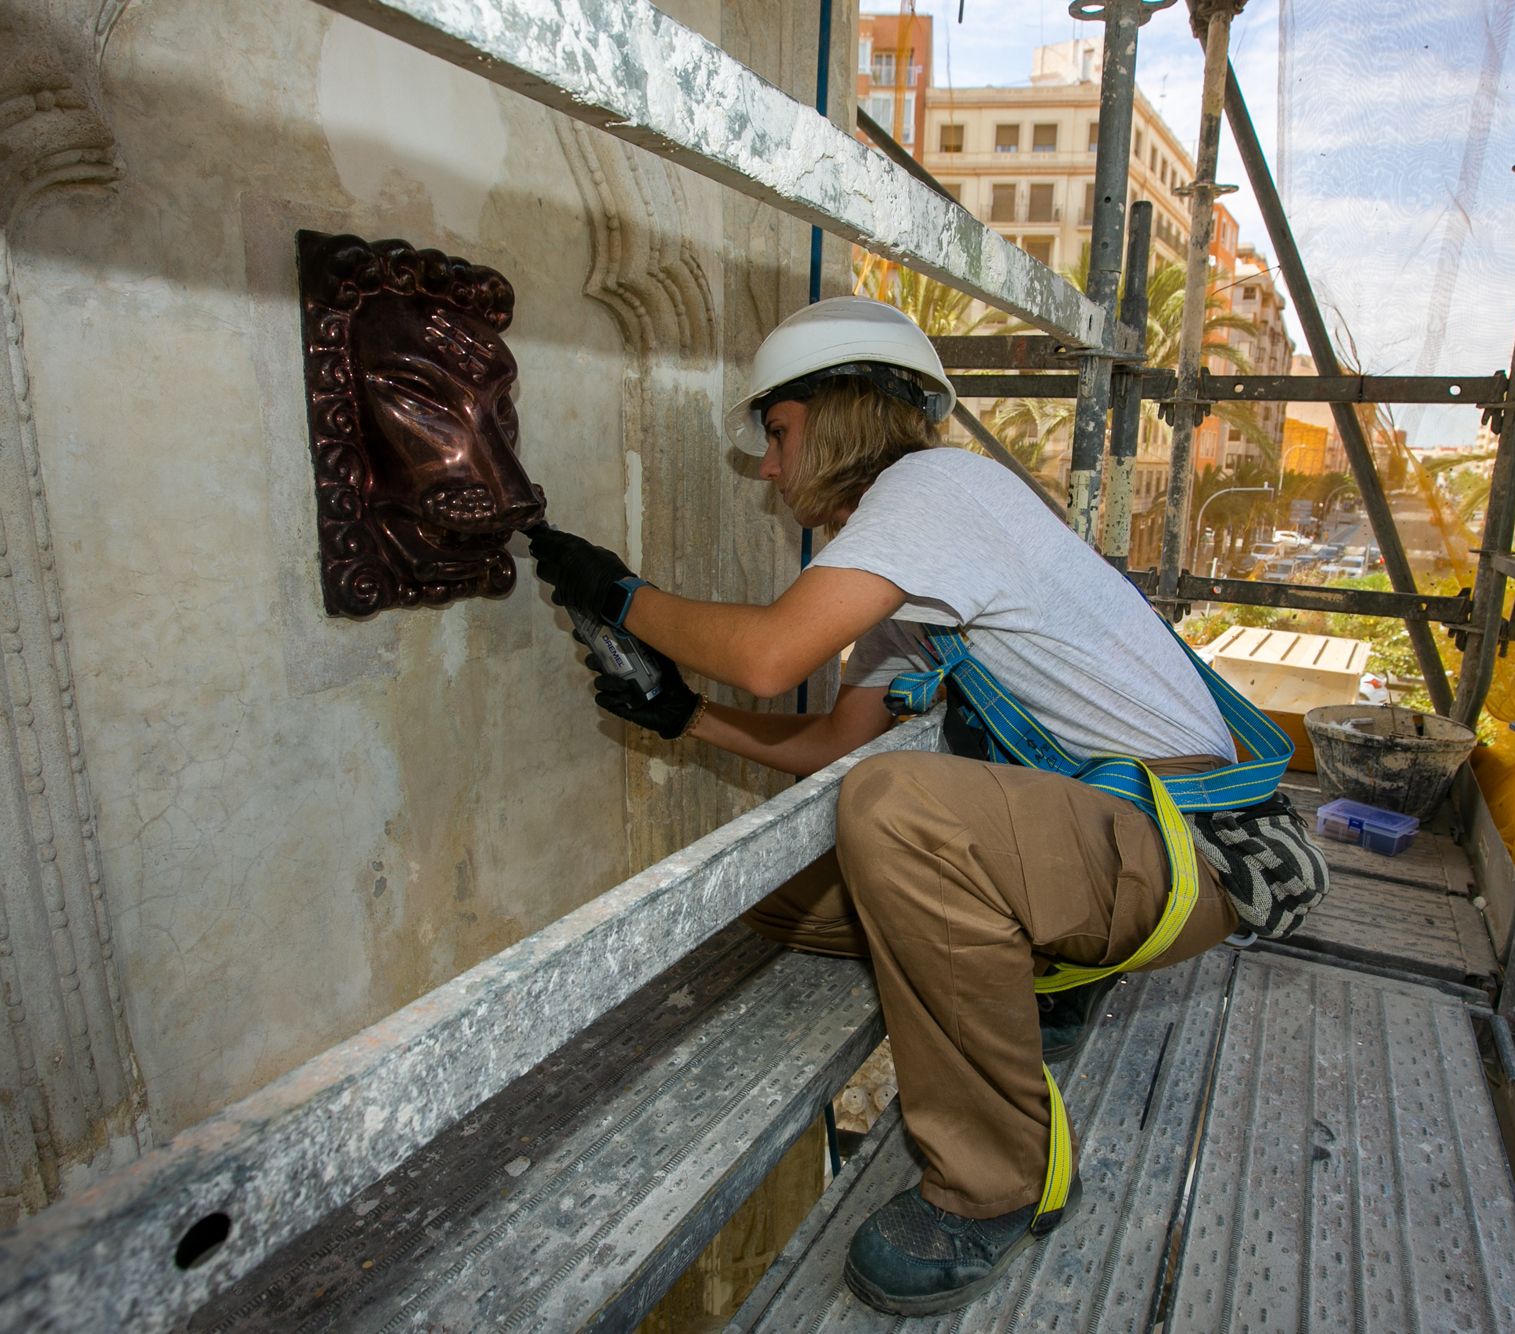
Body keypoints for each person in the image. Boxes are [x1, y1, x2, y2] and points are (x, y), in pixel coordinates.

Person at [527, 296, 1326, 1317]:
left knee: (894, 804)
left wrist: (622, 592)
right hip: (1122, 843)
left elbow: (772, 657)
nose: (768, 467)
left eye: (776, 434)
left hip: (1200, 852)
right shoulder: (911, 583)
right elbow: (826, 741)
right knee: (771, 893)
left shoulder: (935, 486)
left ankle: (995, 1179)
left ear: (842, 411)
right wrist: (685, 717)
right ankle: (1045, 981)